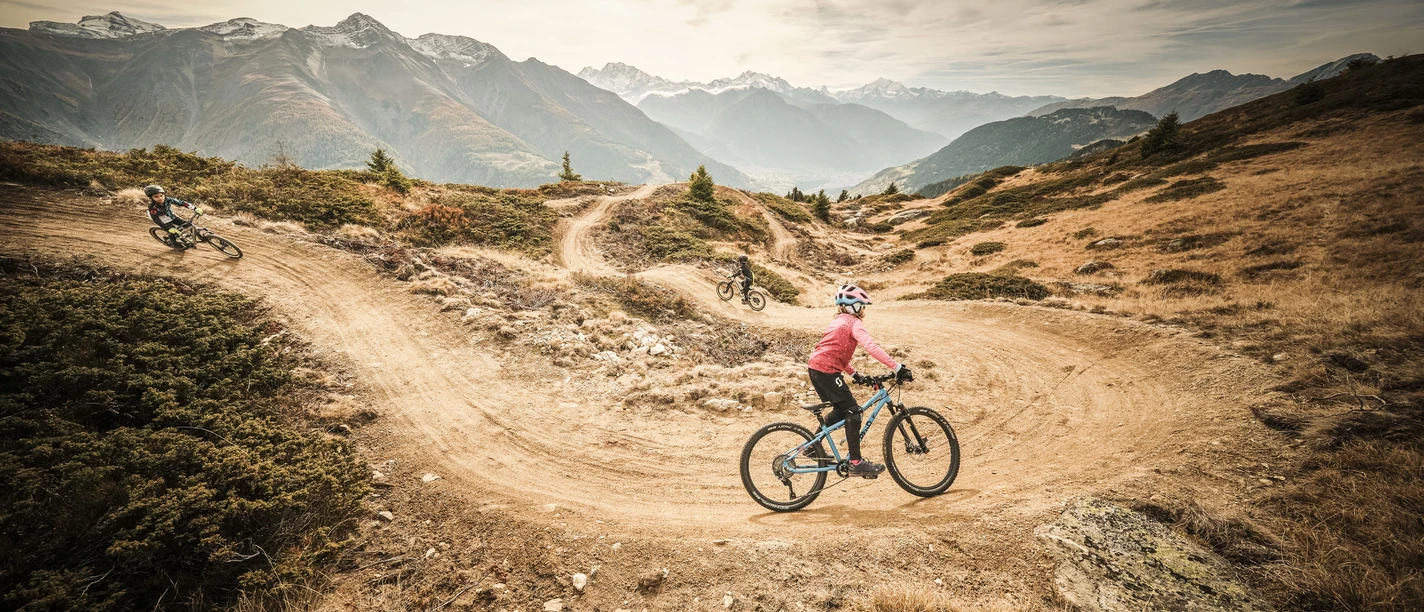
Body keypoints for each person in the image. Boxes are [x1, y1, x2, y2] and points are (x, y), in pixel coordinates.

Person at [806, 284, 913, 477]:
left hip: (817, 368)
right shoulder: (854, 323)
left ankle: (812, 447)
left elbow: (835, 352)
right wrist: (897, 368)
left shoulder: (838, 320)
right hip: (827, 371)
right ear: (854, 306)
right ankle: (856, 462)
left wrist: (854, 374)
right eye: (862, 305)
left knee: (841, 409)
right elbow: (871, 347)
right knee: (854, 410)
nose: (863, 310)